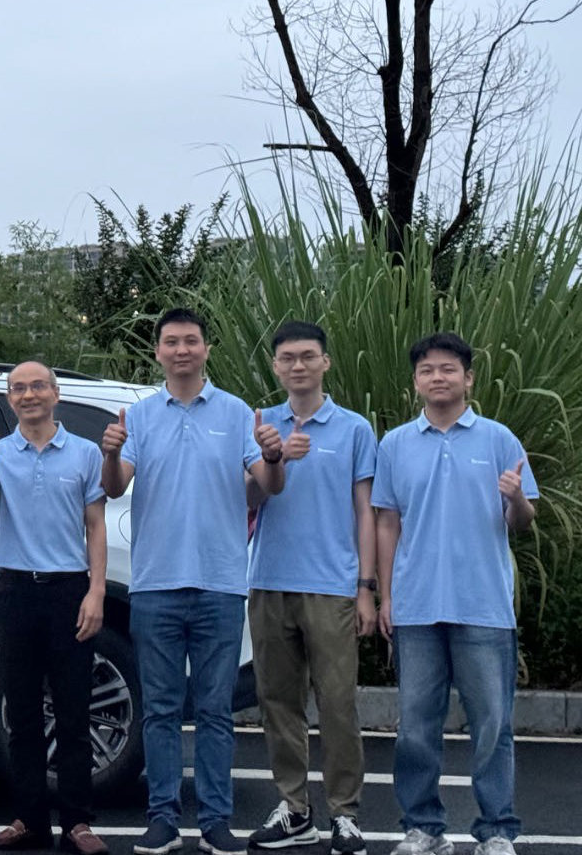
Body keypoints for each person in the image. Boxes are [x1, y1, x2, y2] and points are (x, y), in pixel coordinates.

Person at [100, 307, 286, 855]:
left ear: (206, 348)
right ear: (158, 351)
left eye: (191, 341)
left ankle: (215, 822)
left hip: (220, 583)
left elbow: (268, 484)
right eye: (171, 342)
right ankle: (161, 818)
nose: (181, 350)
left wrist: (273, 456)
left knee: (214, 712)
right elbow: (115, 487)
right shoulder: (140, 416)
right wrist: (110, 454)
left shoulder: (236, 413)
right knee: (159, 710)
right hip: (155, 583)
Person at [374, 333, 537, 855]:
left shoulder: (498, 440)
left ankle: (497, 831)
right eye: (427, 370)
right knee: (415, 728)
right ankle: (423, 827)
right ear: (416, 381)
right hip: (417, 606)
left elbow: (521, 520)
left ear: (468, 378)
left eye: (448, 369)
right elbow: (387, 524)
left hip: (483, 606)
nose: (437, 377)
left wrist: (516, 500)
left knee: (492, 726)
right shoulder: (395, 444)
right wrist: (385, 596)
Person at [244, 321, 377, 855]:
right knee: (278, 701)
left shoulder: (353, 429)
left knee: (338, 703)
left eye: (307, 356)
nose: (297, 365)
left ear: (325, 362)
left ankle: (345, 812)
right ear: (275, 366)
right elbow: (247, 499)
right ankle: (294, 808)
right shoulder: (259, 424)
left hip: (332, 584)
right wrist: (271, 459)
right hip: (269, 579)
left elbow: (366, 511)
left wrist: (366, 586)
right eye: (287, 358)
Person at [0, 361, 110, 855]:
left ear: (55, 392)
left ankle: (78, 822)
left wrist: (96, 591)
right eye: (18, 388)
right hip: (15, 590)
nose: (28, 395)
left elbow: (95, 524)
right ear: (10, 398)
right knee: (23, 713)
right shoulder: (0, 452)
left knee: (73, 711)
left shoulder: (85, 453)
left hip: (69, 589)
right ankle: (28, 819)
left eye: (37, 386)